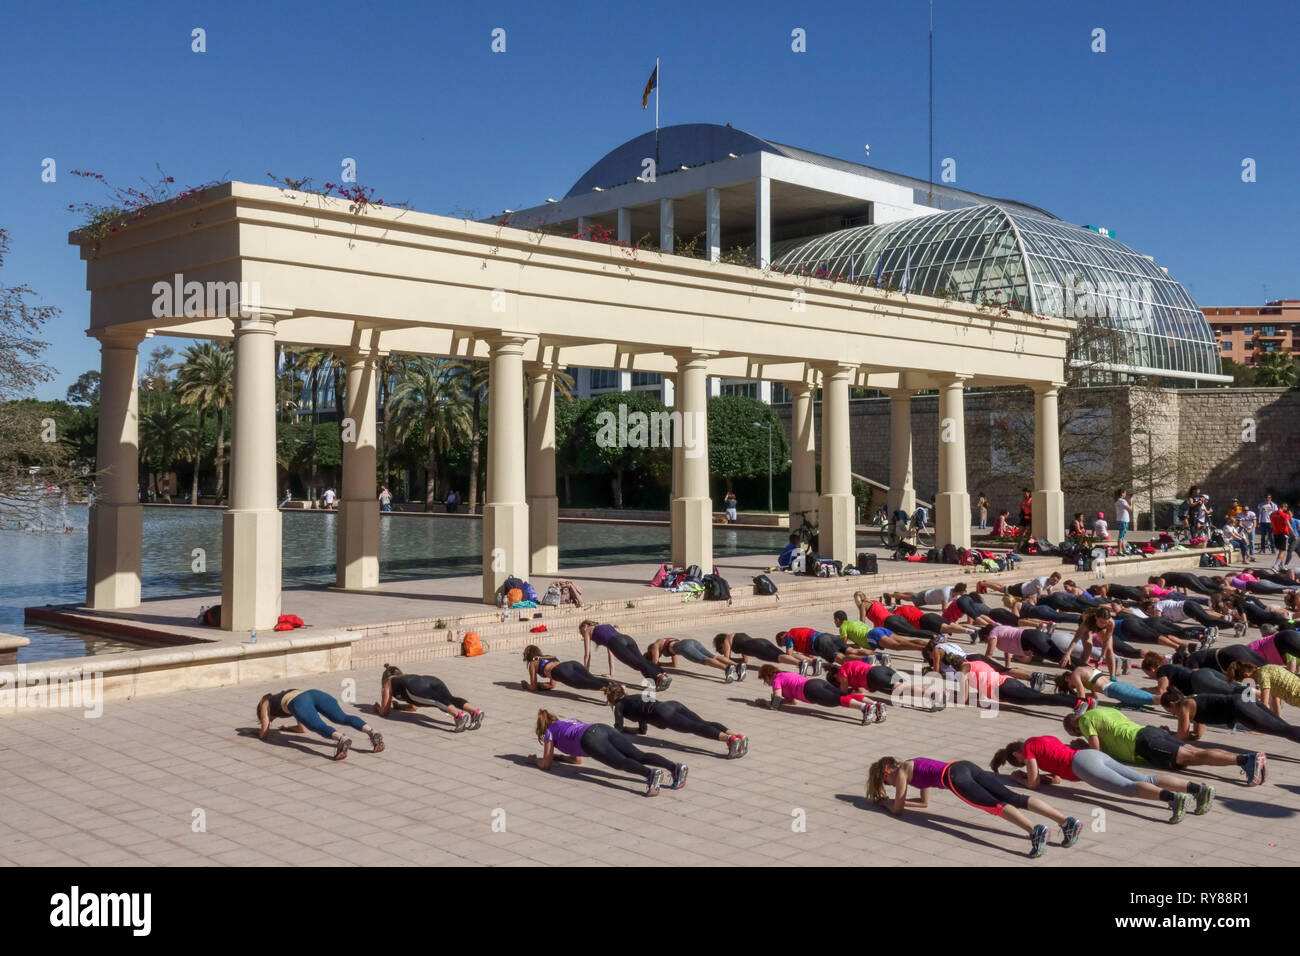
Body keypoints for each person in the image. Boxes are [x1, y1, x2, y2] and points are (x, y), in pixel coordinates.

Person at [866, 756, 1082, 859]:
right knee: (1014, 797)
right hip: (965, 766)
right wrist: (898, 802)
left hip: (953, 777)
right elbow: (924, 803)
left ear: (886, 773)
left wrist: (885, 803)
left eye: (886, 783)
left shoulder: (902, 771)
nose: (890, 785)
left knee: (994, 806)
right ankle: (1066, 822)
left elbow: (898, 810)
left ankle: (1035, 831)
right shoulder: (913, 765)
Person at [991, 737, 1213, 823]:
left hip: (1082, 766)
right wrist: (1042, 776)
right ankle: (1198, 789)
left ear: (1016, 755)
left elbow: (1033, 784)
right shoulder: (1043, 740)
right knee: (1147, 777)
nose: (1021, 764)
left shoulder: (1029, 749)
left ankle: (1174, 799)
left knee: (1128, 788)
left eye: (1018, 762)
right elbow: (1056, 780)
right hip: (1090, 756)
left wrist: (1017, 778)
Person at [1063, 707, 1266, 786]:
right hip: (1148, 732)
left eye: (1075, 732)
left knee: (1195, 757)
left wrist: (1081, 748)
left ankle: (1246, 760)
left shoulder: (1084, 721)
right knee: (1196, 752)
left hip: (1143, 744)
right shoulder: (1102, 710)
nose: (1079, 733)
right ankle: (1247, 759)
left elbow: (1097, 754)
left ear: (1074, 726)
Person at [529, 710, 686, 797]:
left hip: (589, 739)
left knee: (620, 762)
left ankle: (650, 774)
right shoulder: (568, 721)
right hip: (601, 728)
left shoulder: (550, 731)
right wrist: (561, 757)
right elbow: (577, 759)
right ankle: (675, 768)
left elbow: (546, 764)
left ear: (542, 728)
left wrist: (535, 761)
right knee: (639, 755)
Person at [603, 685, 748, 758]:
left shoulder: (619, 706)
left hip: (663, 713)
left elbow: (618, 729)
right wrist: (635, 730)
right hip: (671, 704)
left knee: (694, 727)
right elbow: (642, 727)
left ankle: (729, 740)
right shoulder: (634, 696)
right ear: (623, 692)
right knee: (703, 723)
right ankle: (736, 736)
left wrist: (621, 732)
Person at [256, 689, 385, 760]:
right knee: (342, 717)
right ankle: (372, 732)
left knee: (318, 725)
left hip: (300, 702)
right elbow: (302, 729)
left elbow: (264, 731)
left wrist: (258, 734)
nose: (272, 720)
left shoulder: (265, 703)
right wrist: (287, 728)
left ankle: (342, 739)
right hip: (313, 694)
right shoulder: (285, 698)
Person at [1160, 688, 1300, 745]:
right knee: (1284, 728)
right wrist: (1180, 734)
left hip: (1238, 708)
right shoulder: (1191, 701)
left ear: (1172, 704)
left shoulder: (1184, 705)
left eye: (1169, 711)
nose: (1172, 714)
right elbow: (1197, 735)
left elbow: (1182, 736)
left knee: (1282, 730)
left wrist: (1166, 734)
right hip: (1243, 700)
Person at [757, 664, 884, 724]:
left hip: (809, 691)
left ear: (768, 676)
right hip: (815, 683)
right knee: (842, 695)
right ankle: (875, 704)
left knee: (836, 700)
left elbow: (776, 701)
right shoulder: (785, 674)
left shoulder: (776, 680)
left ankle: (865, 708)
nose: (766, 683)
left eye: (764, 680)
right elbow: (793, 702)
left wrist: (765, 703)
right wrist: (781, 701)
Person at [376, 664, 483, 731]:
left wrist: (377, 708)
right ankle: (474, 712)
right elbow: (414, 707)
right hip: (431, 680)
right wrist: (400, 707)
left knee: (437, 701)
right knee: (450, 698)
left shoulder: (389, 682)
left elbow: (385, 711)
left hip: (417, 687)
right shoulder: (405, 678)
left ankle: (459, 716)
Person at [580, 621, 671, 690]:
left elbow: (587, 655)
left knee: (636, 664)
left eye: (581, 632)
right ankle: (662, 675)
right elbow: (610, 652)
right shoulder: (605, 626)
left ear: (585, 626)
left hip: (616, 643)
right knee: (641, 661)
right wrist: (611, 673)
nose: (582, 635)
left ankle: (659, 676)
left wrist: (586, 675)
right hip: (627, 638)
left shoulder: (588, 630)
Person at [521, 645, 617, 694]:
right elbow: (552, 684)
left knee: (584, 683)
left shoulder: (533, 663)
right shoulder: (549, 656)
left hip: (560, 670)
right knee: (591, 679)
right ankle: (615, 686)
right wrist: (544, 685)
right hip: (571, 663)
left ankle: (611, 690)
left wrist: (526, 685)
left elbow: (533, 687)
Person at [644, 636, 744, 682]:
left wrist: (653, 664)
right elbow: (674, 665)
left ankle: (726, 668)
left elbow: (654, 663)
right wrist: (662, 664)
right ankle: (737, 665)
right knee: (713, 656)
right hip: (690, 641)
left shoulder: (655, 646)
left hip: (684, 647)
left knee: (703, 659)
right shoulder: (665, 642)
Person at [1055, 666, 1153, 709]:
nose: (1075, 686)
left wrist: (1076, 706)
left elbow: (1081, 697)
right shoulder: (1085, 670)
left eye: (1072, 686)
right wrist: (1076, 694)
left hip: (1114, 690)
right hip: (1119, 686)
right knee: (1149, 698)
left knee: (1153, 699)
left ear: (1067, 679)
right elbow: (1095, 696)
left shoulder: (1075, 675)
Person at [713, 632, 820, 671]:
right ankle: (812, 662)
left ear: (721, 644)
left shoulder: (727, 639)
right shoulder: (738, 637)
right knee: (784, 655)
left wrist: (721, 660)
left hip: (756, 648)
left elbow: (726, 660)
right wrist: (733, 659)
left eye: (721, 649)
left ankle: (800, 664)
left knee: (779, 658)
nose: (723, 651)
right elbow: (744, 660)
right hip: (761, 641)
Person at [778, 624, 871, 664]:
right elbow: (808, 652)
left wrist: (790, 656)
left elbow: (789, 654)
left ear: (782, 637)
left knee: (841, 659)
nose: (785, 646)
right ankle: (879, 656)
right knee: (853, 651)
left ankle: (865, 661)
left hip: (820, 642)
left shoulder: (789, 636)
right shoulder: (796, 632)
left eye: (783, 644)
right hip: (827, 636)